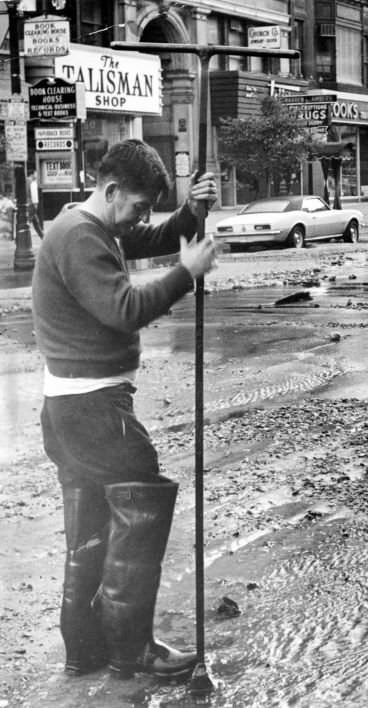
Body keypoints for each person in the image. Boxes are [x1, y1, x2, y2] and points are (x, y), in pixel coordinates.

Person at [31, 139, 219, 679]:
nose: (141, 218)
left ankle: (86, 651)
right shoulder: (79, 239)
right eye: (138, 205)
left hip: (70, 409)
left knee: (89, 529)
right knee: (139, 518)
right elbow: (124, 308)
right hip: (93, 407)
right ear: (111, 191)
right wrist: (187, 272)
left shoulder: (86, 225)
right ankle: (132, 649)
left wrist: (190, 211)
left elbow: (152, 237)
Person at [28, 167, 45, 239]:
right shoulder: (33, 182)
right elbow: (34, 194)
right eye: (36, 173)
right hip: (32, 204)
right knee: (29, 222)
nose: (37, 175)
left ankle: (43, 237)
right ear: (32, 174)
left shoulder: (26, 180)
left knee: (36, 222)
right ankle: (23, 239)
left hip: (27, 203)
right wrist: (35, 205)